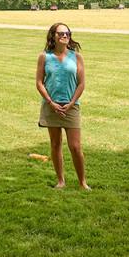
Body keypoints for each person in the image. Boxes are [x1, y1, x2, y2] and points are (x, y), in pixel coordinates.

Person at [36, 23, 88, 189]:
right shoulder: (44, 57)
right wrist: (51, 103)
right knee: (55, 144)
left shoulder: (76, 57)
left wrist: (72, 103)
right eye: (60, 33)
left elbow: (81, 84)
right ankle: (61, 181)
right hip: (51, 106)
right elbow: (39, 82)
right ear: (53, 36)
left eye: (67, 33)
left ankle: (82, 183)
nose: (64, 36)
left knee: (75, 146)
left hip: (71, 106)